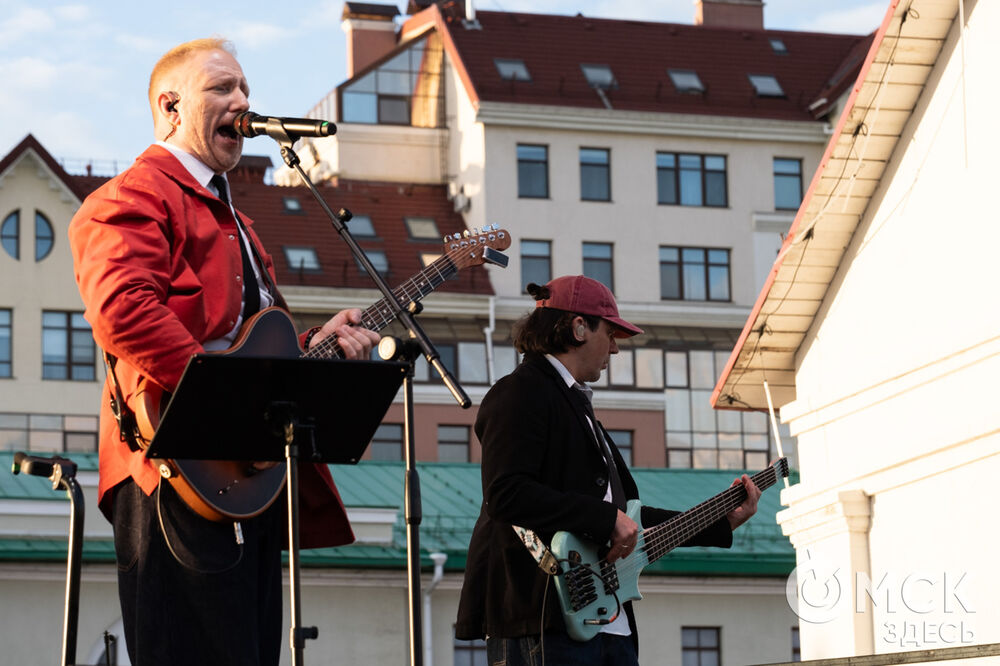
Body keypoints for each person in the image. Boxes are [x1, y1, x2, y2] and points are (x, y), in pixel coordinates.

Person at [68, 38, 380, 666]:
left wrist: (318, 345)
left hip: (245, 475)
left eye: (245, 90)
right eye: (222, 89)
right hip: (176, 469)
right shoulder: (133, 195)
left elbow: (248, 344)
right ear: (171, 105)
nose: (242, 102)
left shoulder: (237, 220)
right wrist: (227, 405)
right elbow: (121, 308)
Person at [455, 275, 762, 665]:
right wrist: (605, 519)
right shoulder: (520, 391)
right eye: (611, 334)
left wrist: (719, 521)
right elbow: (506, 493)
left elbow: (625, 516)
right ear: (578, 328)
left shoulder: (577, 407)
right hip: (544, 615)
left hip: (606, 623)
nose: (615, 349)